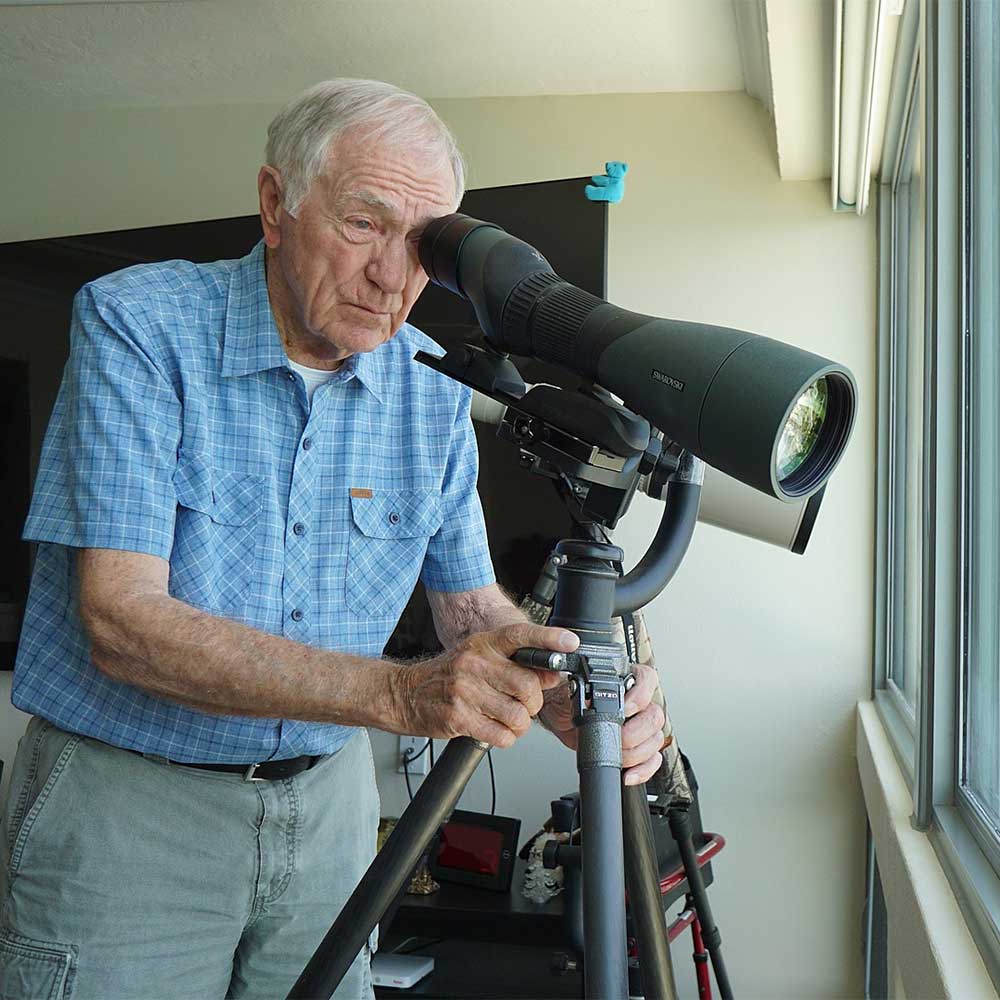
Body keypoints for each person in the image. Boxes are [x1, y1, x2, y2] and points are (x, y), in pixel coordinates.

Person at [0, 79, 666, 999]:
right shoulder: (139, 325)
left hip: (329, 815)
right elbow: (119, 619)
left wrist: (564, 689)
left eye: (423, 243)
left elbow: (469, 608)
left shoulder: (433, 394)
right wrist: (404, 695)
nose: (392, 276)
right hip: (132, 811)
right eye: (363, 224)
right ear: (277, 205)